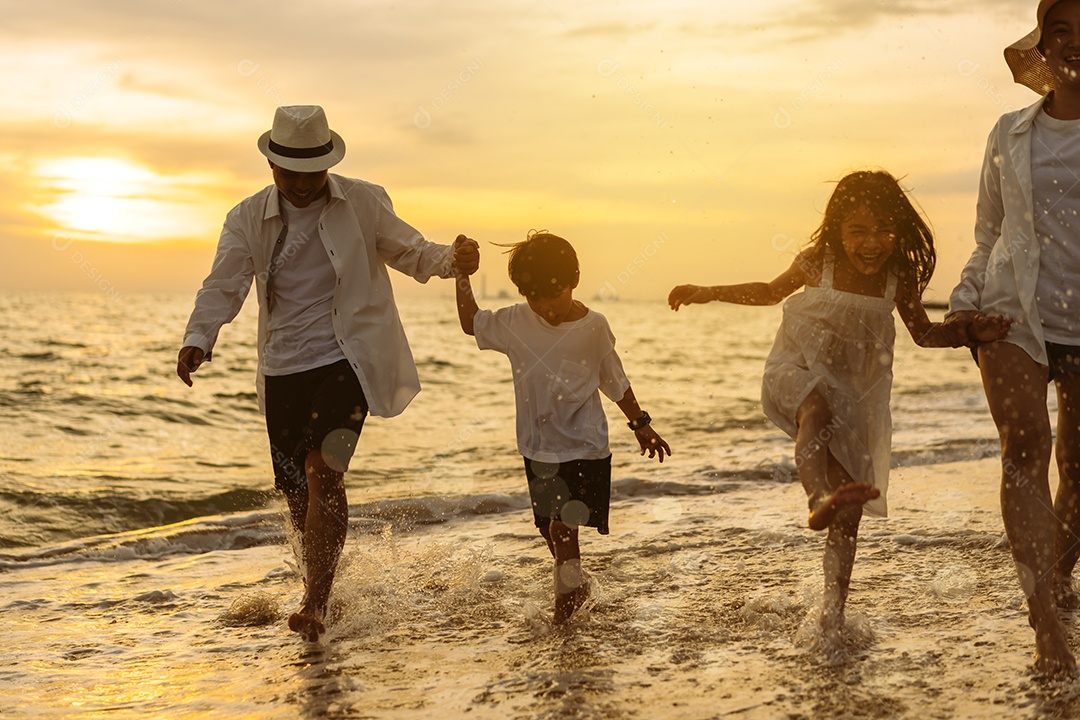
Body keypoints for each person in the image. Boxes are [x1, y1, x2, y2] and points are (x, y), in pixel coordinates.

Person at [668, 170, 1010, 650]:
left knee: (849, 518)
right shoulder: (817, 262)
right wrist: (708, 291)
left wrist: (973, 331)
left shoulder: (898, 279)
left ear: (900, 231)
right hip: (795, 369)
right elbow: (768, 292)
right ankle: (816, 501)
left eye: (884, 231)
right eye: (858, 231)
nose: (872, 243)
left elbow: (926, 334)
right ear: (837, 230)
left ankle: (832, 613)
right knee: (816, 411)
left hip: (859, 399)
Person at [176, 105, 477, 642]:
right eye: (288, 172)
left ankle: (314, 603)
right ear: (271, 165)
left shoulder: (362, 200)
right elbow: (223, 284)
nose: (298, 183)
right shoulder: (246, 217)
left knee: (323, 470)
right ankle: (324, 586)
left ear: (327, 165)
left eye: (310, 173)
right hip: (282, 366)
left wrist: (452, 259)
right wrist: (199, 337)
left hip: (348, 358)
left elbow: (411, 252)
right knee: (296, 493)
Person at [945, 0, 1080, 677]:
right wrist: (963, 305)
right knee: (1025, 450)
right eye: (1062, 30)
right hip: (1013, 318)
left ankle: (1057, 576)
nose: (1075, 42)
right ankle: (1045, 623)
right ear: (1043, 47)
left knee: (1079, 478)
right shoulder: (1008, 132)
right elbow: (988, 236)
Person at [453, 230, 671, 624]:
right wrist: (461, 274)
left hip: (586, 448)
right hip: (538, 449)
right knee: (549, 531)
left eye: (554, 295)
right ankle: (577, 586)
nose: (547, 308)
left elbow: (614, 380)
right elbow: (471, 324)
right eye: (534, 298)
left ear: (575, 280)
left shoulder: (594, 327)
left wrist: (640, 423)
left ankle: (563, 624)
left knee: (562, 529)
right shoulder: (516, 322)